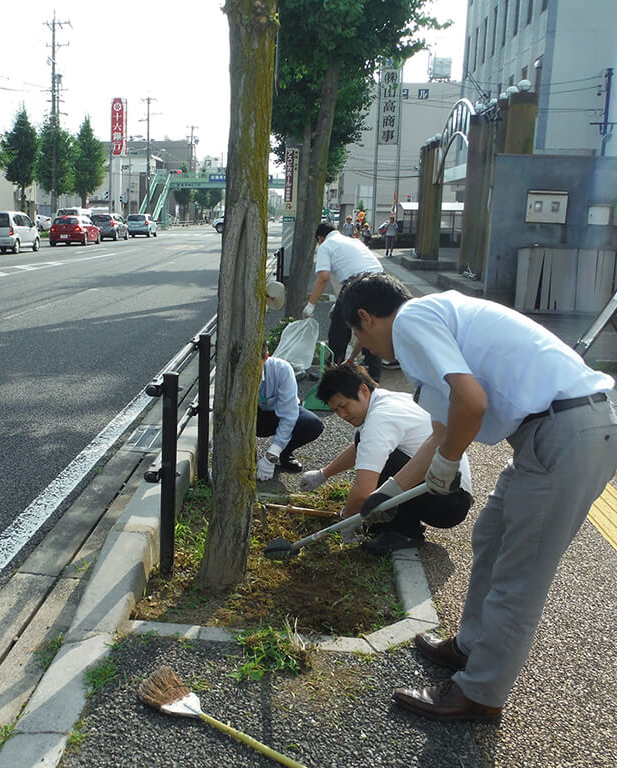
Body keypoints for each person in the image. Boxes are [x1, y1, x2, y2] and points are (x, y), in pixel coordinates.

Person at [337, 271, 617, 723]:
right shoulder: (434, 317)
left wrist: (449, 463)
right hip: (552, 433)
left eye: (357, 332)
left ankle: (481, 692)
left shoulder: (412, 322)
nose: (364, 345)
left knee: (519, 576)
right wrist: (390, 491)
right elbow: (443, 430)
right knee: (490, 536)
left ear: (366, 318)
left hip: (565, 433)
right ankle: (469, 647)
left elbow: (472, 403)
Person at [302, 362, 472, 555]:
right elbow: (361, 449)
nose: (342, 415)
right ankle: (392, 523)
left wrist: (346, 520)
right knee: (367, 445)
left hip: (447, 502)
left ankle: (403, 531)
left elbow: (363, 490)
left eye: (343, 406)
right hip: (446, 492)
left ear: (363, 390)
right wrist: (323, 474)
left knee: (378, 459)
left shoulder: (381, 417)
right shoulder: (385, 400)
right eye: (336, 410)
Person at [302, 222, 384, 382]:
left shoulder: (326, 246)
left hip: (357, 284)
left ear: (320, 238)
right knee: (369, 327)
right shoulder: (353, 240)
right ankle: (373, 375)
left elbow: (323, 277)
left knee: (338, 330)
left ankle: (331, 372)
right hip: (381, 281)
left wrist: (311, 305)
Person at [256, 346, 325, 480]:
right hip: (250, 418)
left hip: (277, 415)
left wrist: (272, 454)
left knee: (313, 425)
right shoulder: (229, 371)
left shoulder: (282, 369)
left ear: (266, 357)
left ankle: (284, 453)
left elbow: (288, 415)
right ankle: (245, 451)